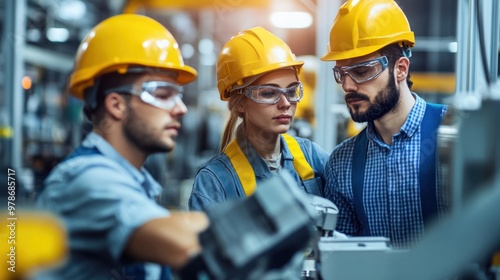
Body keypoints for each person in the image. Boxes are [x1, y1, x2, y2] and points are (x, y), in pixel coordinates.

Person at [35, 14, 209, 280]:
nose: (181, 109)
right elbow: (184, 244)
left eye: (179, 96)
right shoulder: (87, 180)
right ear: (116, 105)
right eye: (163, 94)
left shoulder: (133, 182)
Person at [321, 0, 449, 248]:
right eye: (341, 72)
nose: (347, 86)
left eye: (361, 71)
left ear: (400, 69)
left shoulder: (455, 136)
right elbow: (343, 260)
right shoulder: (341, 164)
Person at [188, 27, 330, 211]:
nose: (285, 103)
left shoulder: (312, 157)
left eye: (291, 91)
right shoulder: (214, 182)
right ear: (240, 103)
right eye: (269, 93)